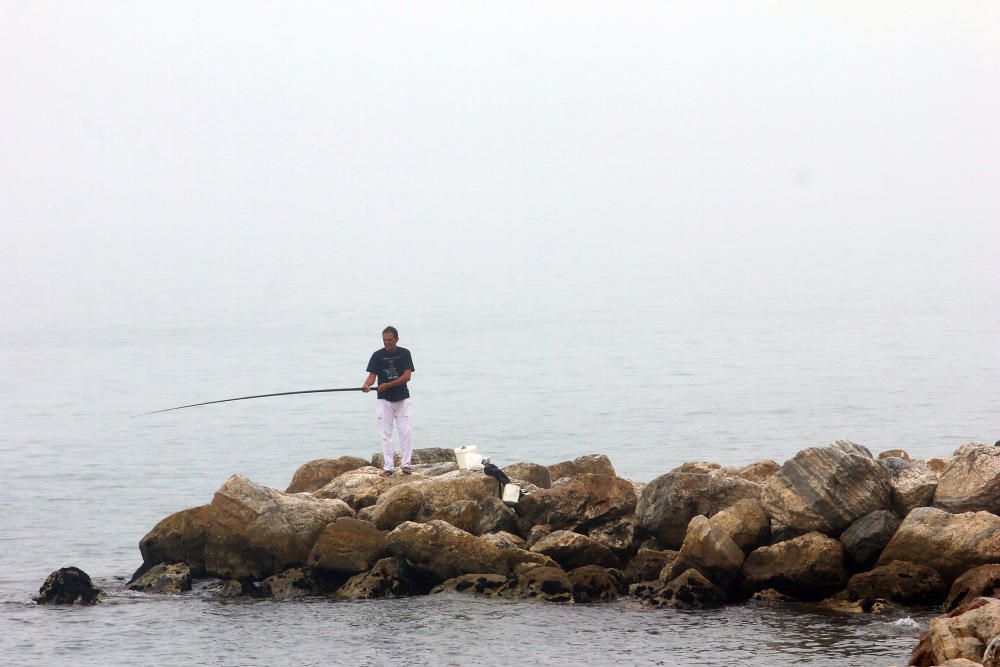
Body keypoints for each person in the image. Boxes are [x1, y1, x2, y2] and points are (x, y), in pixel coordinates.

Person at [362, 326, 415, 477]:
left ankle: (406, 465)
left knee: (406, 431)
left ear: (396, 339)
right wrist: (367, 385)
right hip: (384, 400)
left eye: (390, 340)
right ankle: (389, 467)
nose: (387, 343)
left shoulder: (404, 353)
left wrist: (388, 385)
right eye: (384, 340)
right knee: (385, 434)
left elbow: (407, 376)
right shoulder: (377, 355)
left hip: (402, 399)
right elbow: (372, 376)